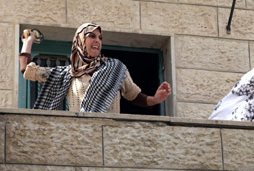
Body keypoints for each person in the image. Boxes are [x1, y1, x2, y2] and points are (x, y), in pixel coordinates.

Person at [19, 23, 171, 113]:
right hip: (78, 135)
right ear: (79, 40)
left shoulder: (116, 68)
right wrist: (28, 42)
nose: (97, 40)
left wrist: (156, 99)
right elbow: (28, 71)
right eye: (92, 36)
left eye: (100, 37)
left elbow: (134, 96)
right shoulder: (67, 74)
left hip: (110, 135)